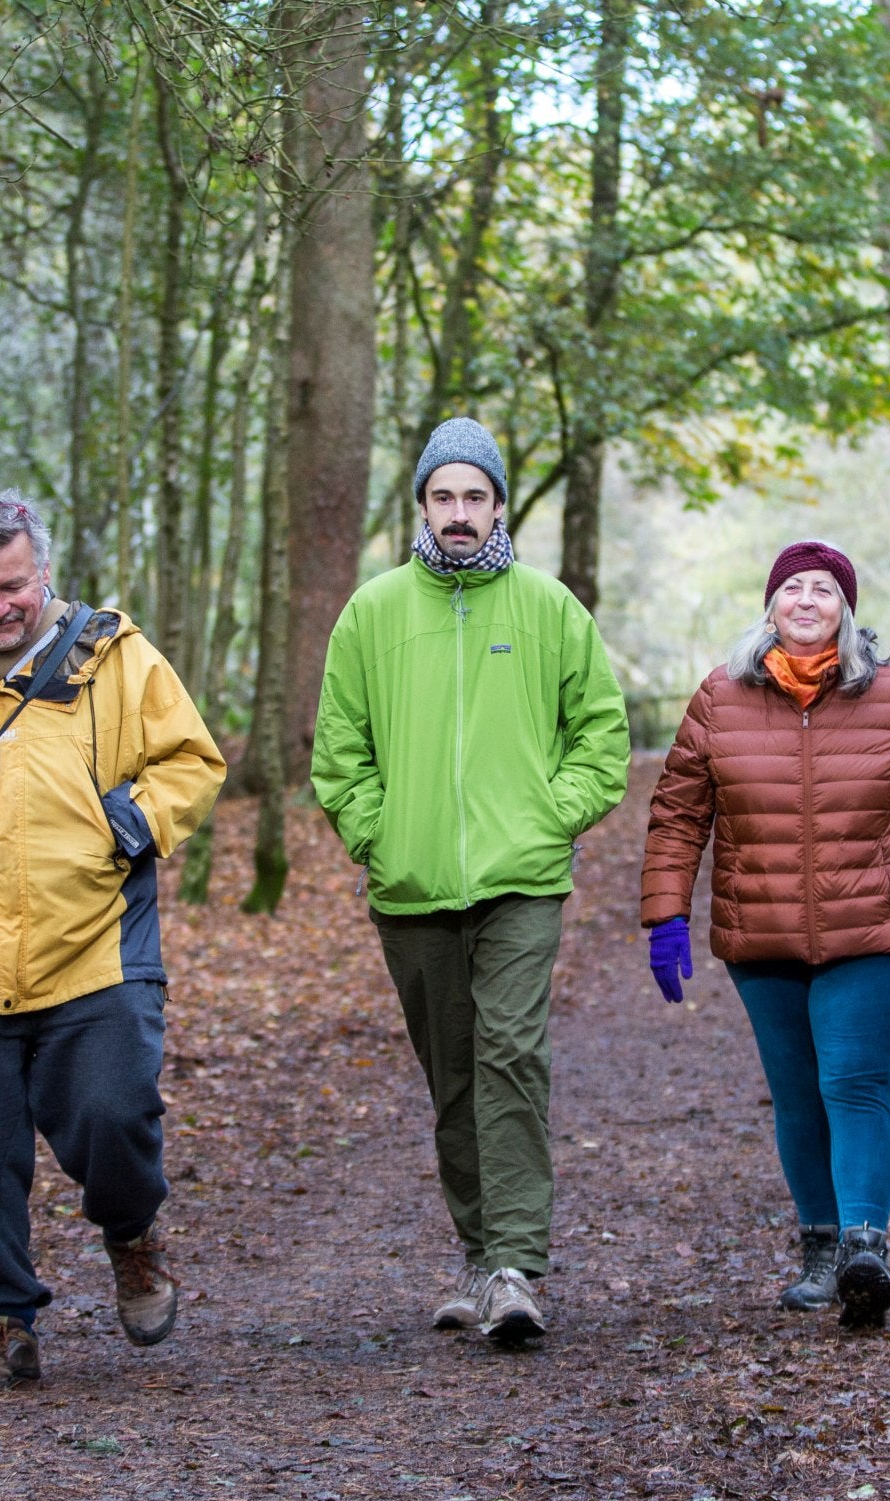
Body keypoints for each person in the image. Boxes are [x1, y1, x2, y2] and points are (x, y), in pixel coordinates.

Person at [0, 488, 228, 1393]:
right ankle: (1, 1323)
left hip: (94, 946)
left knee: (113, 1118)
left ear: (42, 570)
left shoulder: (115, 657)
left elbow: (192, 759)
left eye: (11, 585)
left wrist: (130, 823)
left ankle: (132, 1237)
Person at [310, 418, 631, 1346]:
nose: (459, 514)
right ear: (422, 506)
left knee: (510, 1057)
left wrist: (546, 815)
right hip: (411, 887)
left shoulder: (547, 607)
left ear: (498, 505)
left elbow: (600, 736)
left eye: (475, 497)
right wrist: (379, 834)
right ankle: (478, 1255)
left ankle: (516, 1267)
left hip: (521, 880)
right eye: (443, 497)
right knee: (451, 1074)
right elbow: (340, 751)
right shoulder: (373, 612)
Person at [638, 540, 890, 1331]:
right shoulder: (719, 699)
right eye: (793, 588)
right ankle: (821, 1248)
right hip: (761, 933)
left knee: (854, 1084)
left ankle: (865, 1248)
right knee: (799, 1094)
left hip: (868, 929)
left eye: (825, 591)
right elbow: (677, 816)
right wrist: (665, 914)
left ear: (847, 612)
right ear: (769, 607)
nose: (807, 600)